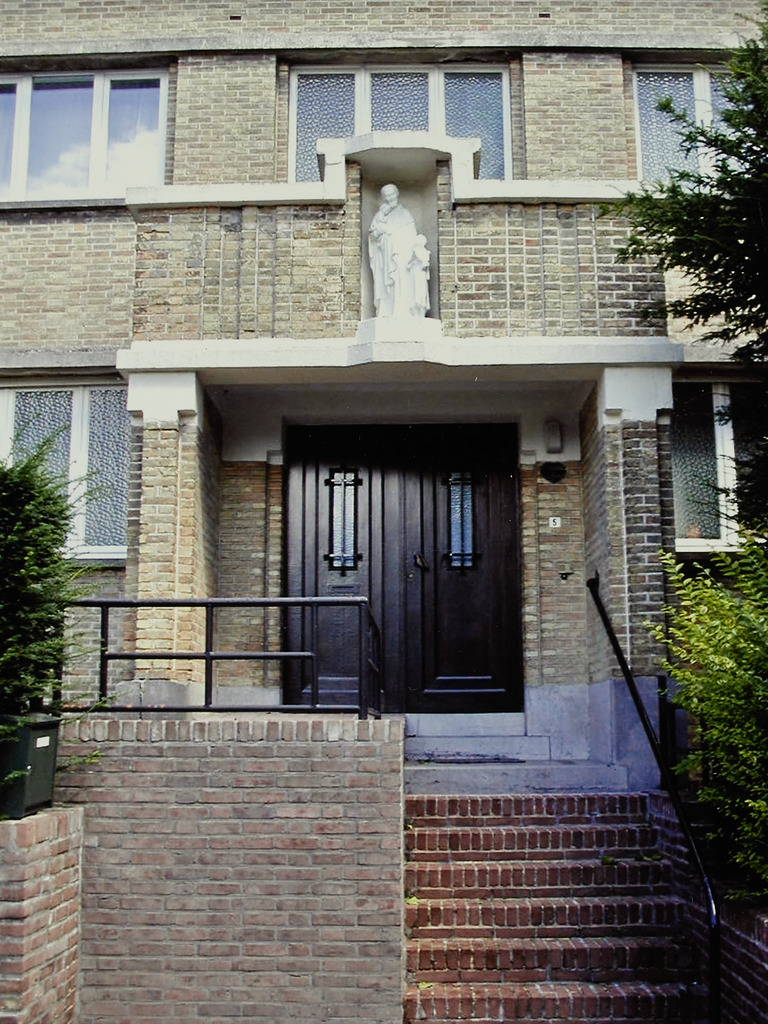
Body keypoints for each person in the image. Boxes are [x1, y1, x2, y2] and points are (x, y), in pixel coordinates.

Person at [368, 184, 430, 317]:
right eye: (387, 196)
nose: (390, 198)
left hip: (403, 254)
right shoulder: (380, 215)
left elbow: (412, 235)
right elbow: (373, 235)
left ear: (396, 194)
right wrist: (382, 234)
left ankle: (404, 310)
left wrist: (394, 235)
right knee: (389, 285)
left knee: (402, 281)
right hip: (386, 257)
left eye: (392, 194)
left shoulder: (405, 214)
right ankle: (387, 310)